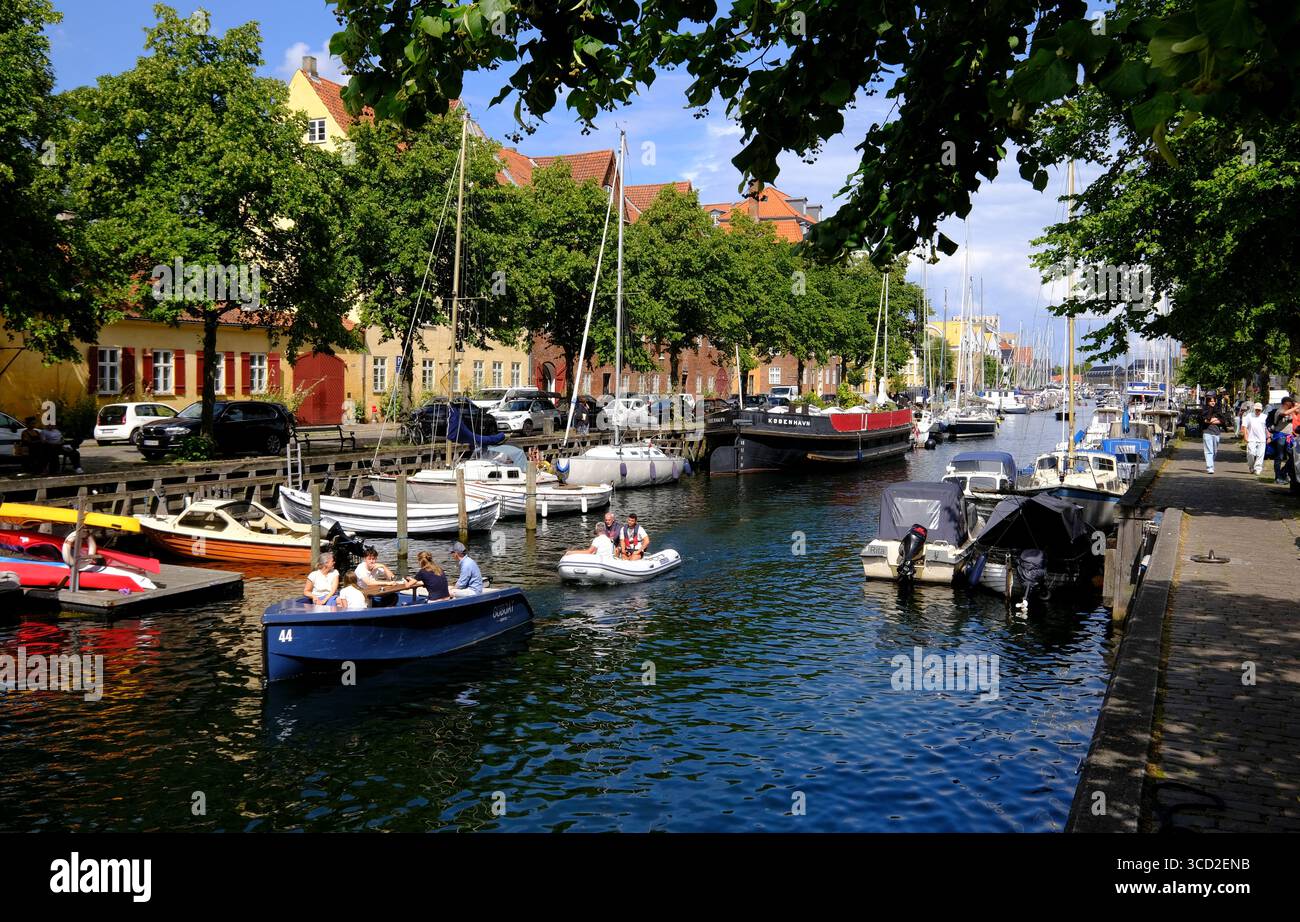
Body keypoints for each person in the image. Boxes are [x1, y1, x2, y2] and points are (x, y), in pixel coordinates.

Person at [1271, 396, 1298, 484]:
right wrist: (1296, 407)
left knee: (1293, 456)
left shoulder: (1291, 412)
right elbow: (1285, 413)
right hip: (1280, 436)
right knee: (1279, 457)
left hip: (1289, 436)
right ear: (1286, 403)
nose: (1292, 404)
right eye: (1290, 403)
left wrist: (1295, 408)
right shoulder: (1280, 410)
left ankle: (1283, 472)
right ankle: (1278, 477)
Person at [1240, 402, 1269, 476]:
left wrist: (1268, 437)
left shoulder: (1264, 417)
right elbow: (1244, 427)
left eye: (1259, 410)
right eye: (1256, 410)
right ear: (1254, 409)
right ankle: (1251, 466)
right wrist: (1245, 436)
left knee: (1260, 455)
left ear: (1261, 410)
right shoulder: (1249, 416)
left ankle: (1258, 468)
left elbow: (1266, 428)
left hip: (1262, 439)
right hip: (1251, 438)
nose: (1258, 411)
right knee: (1251, 453)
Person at [1200, 394, 1226, 474]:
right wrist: (1215, 420)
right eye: (1211, 401)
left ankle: (1211, 464)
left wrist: (1212, 420)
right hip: (1207, 432)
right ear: (1208, 401)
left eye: (1214, 401)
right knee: (1209, 451)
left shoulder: (1218, 410)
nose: (1213, 403)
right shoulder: (1204, 410)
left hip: (1216, 433)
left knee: (1214, 451)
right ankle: (1210, 467)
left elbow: (1222, 421)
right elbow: (1204, 420)